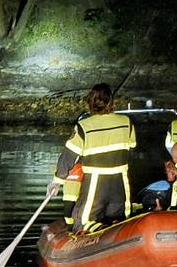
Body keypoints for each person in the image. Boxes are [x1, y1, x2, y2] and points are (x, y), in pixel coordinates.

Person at [50, 83, 137, 232]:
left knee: (83, 223)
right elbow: (132, 147)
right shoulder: (126, 122)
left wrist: (56, 181)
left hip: (96, 185)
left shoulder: (84, 127)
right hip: (120, 184)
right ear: (111, 102)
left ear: (90, 102)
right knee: (119, 223)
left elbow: (68, 157)